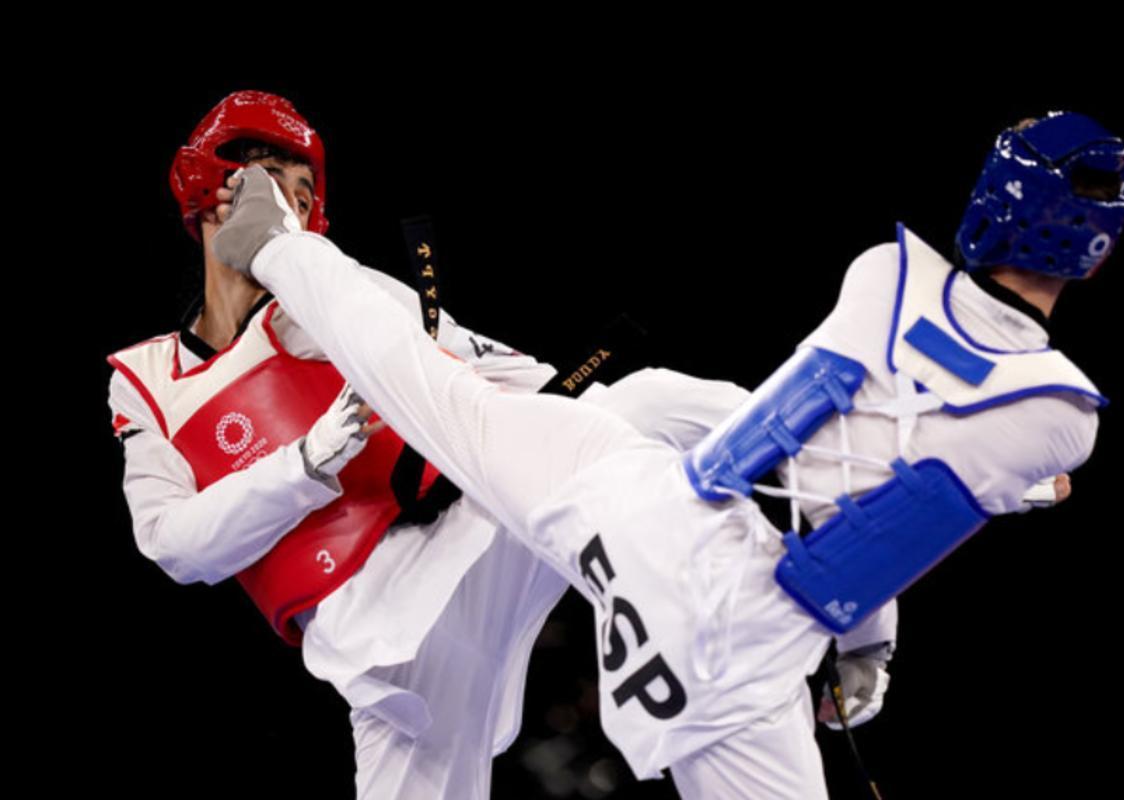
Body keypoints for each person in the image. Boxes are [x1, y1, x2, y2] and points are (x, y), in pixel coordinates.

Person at [209, 109, 1124, 799]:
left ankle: (280, 249)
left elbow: (789, 430)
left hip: (637, 498)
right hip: (731, 632)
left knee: (426, 380)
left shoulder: (884, 270)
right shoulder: (1061, 417)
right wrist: (871, 649)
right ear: (1094, 252)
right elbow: (861, 528)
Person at [109, 90, 903, 798]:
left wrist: (554, 404)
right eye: (270, 172)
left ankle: (876, 538)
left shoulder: (343, 295)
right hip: (379, 650)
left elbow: (518, 384)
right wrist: (304, 466)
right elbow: (176, 547)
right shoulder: (145, 379)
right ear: (211, 191)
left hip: (467, 546)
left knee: (649, 401)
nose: (292, 195)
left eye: (304, 185)